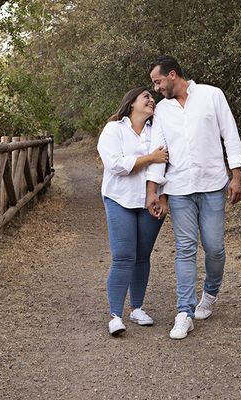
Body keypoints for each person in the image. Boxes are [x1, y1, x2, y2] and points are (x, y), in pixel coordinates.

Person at [145, 55, 241, 340]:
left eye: (158, 81)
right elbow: (159, 151)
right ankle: (184, 312)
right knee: (186, 248)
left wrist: (236, 174)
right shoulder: (162, 111)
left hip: (213, 184)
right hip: (179, 189)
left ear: (173, 75)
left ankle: (211, 293)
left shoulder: (212, 95)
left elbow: (231, 134)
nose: (156, 88)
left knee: (214, 248)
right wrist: (155, 191)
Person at [97, 87, 169, 336]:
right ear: (131, 104)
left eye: (152, 97)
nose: (152, 100)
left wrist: (164, 196)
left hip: (151, 200)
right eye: (146, 96)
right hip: (119, 199)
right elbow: (115, 165)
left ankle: (137, 308)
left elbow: (167, 164)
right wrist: (150, 157)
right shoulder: (114, 129)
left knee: (142, 256)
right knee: (123, 256)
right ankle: (115, 315)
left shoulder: (157, 130)